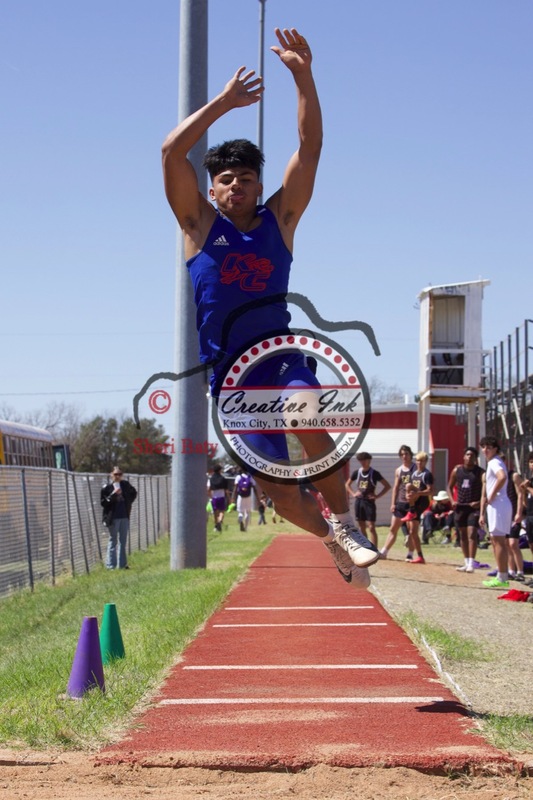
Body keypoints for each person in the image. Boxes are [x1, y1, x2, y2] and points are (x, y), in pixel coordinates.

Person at [161, 26, 379, 587]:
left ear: (259, 188)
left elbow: (310, 149)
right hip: (229, 378)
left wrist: (303, 75)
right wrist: (225, 103)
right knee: (280, 495)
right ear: (212, 190)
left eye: (247, 178)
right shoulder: (197, 227)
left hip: (278, 357)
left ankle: (348, 520)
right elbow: (169, 151)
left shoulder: (278, 222)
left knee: (304, 412)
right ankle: (332, 539)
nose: (236, 185)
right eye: (226, 179)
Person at [479, 436, 512, 589]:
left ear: (496, 449)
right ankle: (501, 574)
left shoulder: (494, 462)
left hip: (499, 504)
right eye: (483, 446)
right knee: (495, 541)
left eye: (489, 447)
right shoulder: (494, 462)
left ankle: (503, 576)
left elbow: (502, 477)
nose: (485, 450)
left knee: (499, 542)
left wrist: (491, 495)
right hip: (497, 505)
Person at [447, 446, 484, 574]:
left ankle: (472, 562)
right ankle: (466, 561)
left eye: (472, 455)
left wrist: (479, 502)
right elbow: (449, 487)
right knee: (462, 535)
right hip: (460, 506)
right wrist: (452, 501)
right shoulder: (457, 470)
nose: (469, 457)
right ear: (463, 457)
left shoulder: (480, 472)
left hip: (473, 507)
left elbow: (487, 491)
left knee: (472, 533)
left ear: (475, 458)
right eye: (467, 455)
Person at [345, 452, 391, 547]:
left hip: (369, 502)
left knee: (371, 527)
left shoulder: (374, 473)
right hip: (359, 501)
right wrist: (353, 493)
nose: (363, 462)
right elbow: (347, 484)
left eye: (365, 460)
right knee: (361, 526)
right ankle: (366, 547)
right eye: (361, 460)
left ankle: (374, 549)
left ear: (369, 460)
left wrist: (377, 496)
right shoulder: (357, 473)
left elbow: (387, 486)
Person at [380, 445, 415, 559]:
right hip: (400, 502)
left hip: (412, 503)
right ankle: (384, 552)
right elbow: (396, 487)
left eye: (406, 454)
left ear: (410, 455)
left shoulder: (415, 468)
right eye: (402, 454)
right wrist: (393, 503)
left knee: (411, 530)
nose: (404, 456)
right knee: (393, 528)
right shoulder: (399, 470)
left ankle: (410, 553)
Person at [100, 467, 137, 570]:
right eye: (116, 474)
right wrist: (113, 495)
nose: (118, 476)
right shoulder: (107, 488)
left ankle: (122, 565)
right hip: (113, 518)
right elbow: (103, 503)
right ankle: (110, 565)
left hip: (124, 516)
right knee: (113, 540)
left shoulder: (125, 485)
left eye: (119, 474)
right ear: (111, 474)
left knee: (123, 541)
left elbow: (134, 493)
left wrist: (128, 502)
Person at [207, 463, 230, 531]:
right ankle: (220, 521)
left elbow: (208, 489)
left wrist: (210, 496)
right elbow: (226, 490)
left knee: (215, 512)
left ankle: (216, 525)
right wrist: (229, 498)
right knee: (222, 511)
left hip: (214, 497)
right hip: (221, 497)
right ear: (220, 470)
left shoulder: (211, 479)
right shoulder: (223, 479)